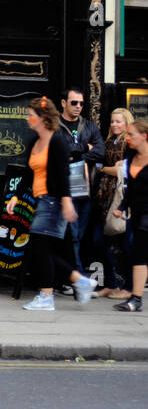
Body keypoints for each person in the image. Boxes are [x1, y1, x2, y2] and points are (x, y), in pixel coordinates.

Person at [13, 97, 97, 311]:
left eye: (31, 115)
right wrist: (16, 196)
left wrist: (67, 202)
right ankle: (80, 281)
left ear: (42, 118)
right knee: (46, 250)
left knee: (41, 249)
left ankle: (47, 296)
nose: (28, 119)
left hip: (54, 202)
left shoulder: (57, 141)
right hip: (42, 200)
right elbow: (28, 171)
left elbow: (63, 174)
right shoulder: (35, 141)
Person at [58, 87, 104, 275]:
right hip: (65, 190)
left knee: (78, 236)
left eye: (81, 103)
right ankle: (78, 280)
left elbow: (101, 152)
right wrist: (84, 147)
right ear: (63, 103)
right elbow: (59, 152)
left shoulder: (90, 126)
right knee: (72, 236)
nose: (78, 107)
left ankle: (71, 278)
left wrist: (76, 152)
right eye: (74, 103)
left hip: (86, 189)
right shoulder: (55, 125)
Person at [95, 107, 134, 298]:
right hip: (104, 198)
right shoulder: (108, 141)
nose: (114, 124)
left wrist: (104, 169)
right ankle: (111, 283)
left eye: (118, 121)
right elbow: (105, 165)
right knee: (98, 240)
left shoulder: (130, 143)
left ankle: (130, 288)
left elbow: (124, 171)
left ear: (127, 123)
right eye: (112, 121)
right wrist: (109, 168)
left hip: (122, 198)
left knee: (127, 244)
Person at [111, 117, 148, 312]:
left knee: (139, 254)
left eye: (131, 135)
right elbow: (130, 186)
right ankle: (135, 297)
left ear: (144, 136)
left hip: (147, 216)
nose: (128, 139)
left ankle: (136, 298)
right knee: (137, 254)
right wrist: (122, 206)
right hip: (136, 212)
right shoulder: (131, 153)